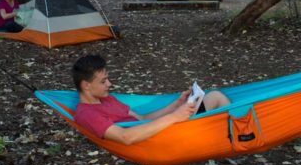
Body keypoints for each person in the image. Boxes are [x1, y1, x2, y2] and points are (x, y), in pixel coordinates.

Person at [72, 55, 231, 145]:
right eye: (103, 81)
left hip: (162, 128)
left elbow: (142, 119)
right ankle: (235, 136)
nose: (109, 84)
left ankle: (231, 134)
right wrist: (175, 116)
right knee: (217, 100)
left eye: (107, 79)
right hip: (158, 141)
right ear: (86, 85)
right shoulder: (87, 114)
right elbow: (125, 137)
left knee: (214, 96)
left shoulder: (107, 99)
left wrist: (177, 105)